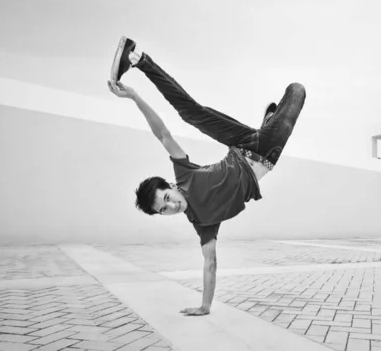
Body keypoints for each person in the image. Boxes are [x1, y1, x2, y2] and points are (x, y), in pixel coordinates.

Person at [107, 36, 306, 316]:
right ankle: (269, 123)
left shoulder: (184, 175)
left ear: (171, 186)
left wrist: (135, 97)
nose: (172, 206)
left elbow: (162, 133)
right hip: (268, 152)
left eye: (167, 198)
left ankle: (137, 59)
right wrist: (205, 306)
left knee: (191, 113)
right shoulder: (203, 223)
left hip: (241, 142)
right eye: (164, 210)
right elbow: (210, 263)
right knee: (297, 90)